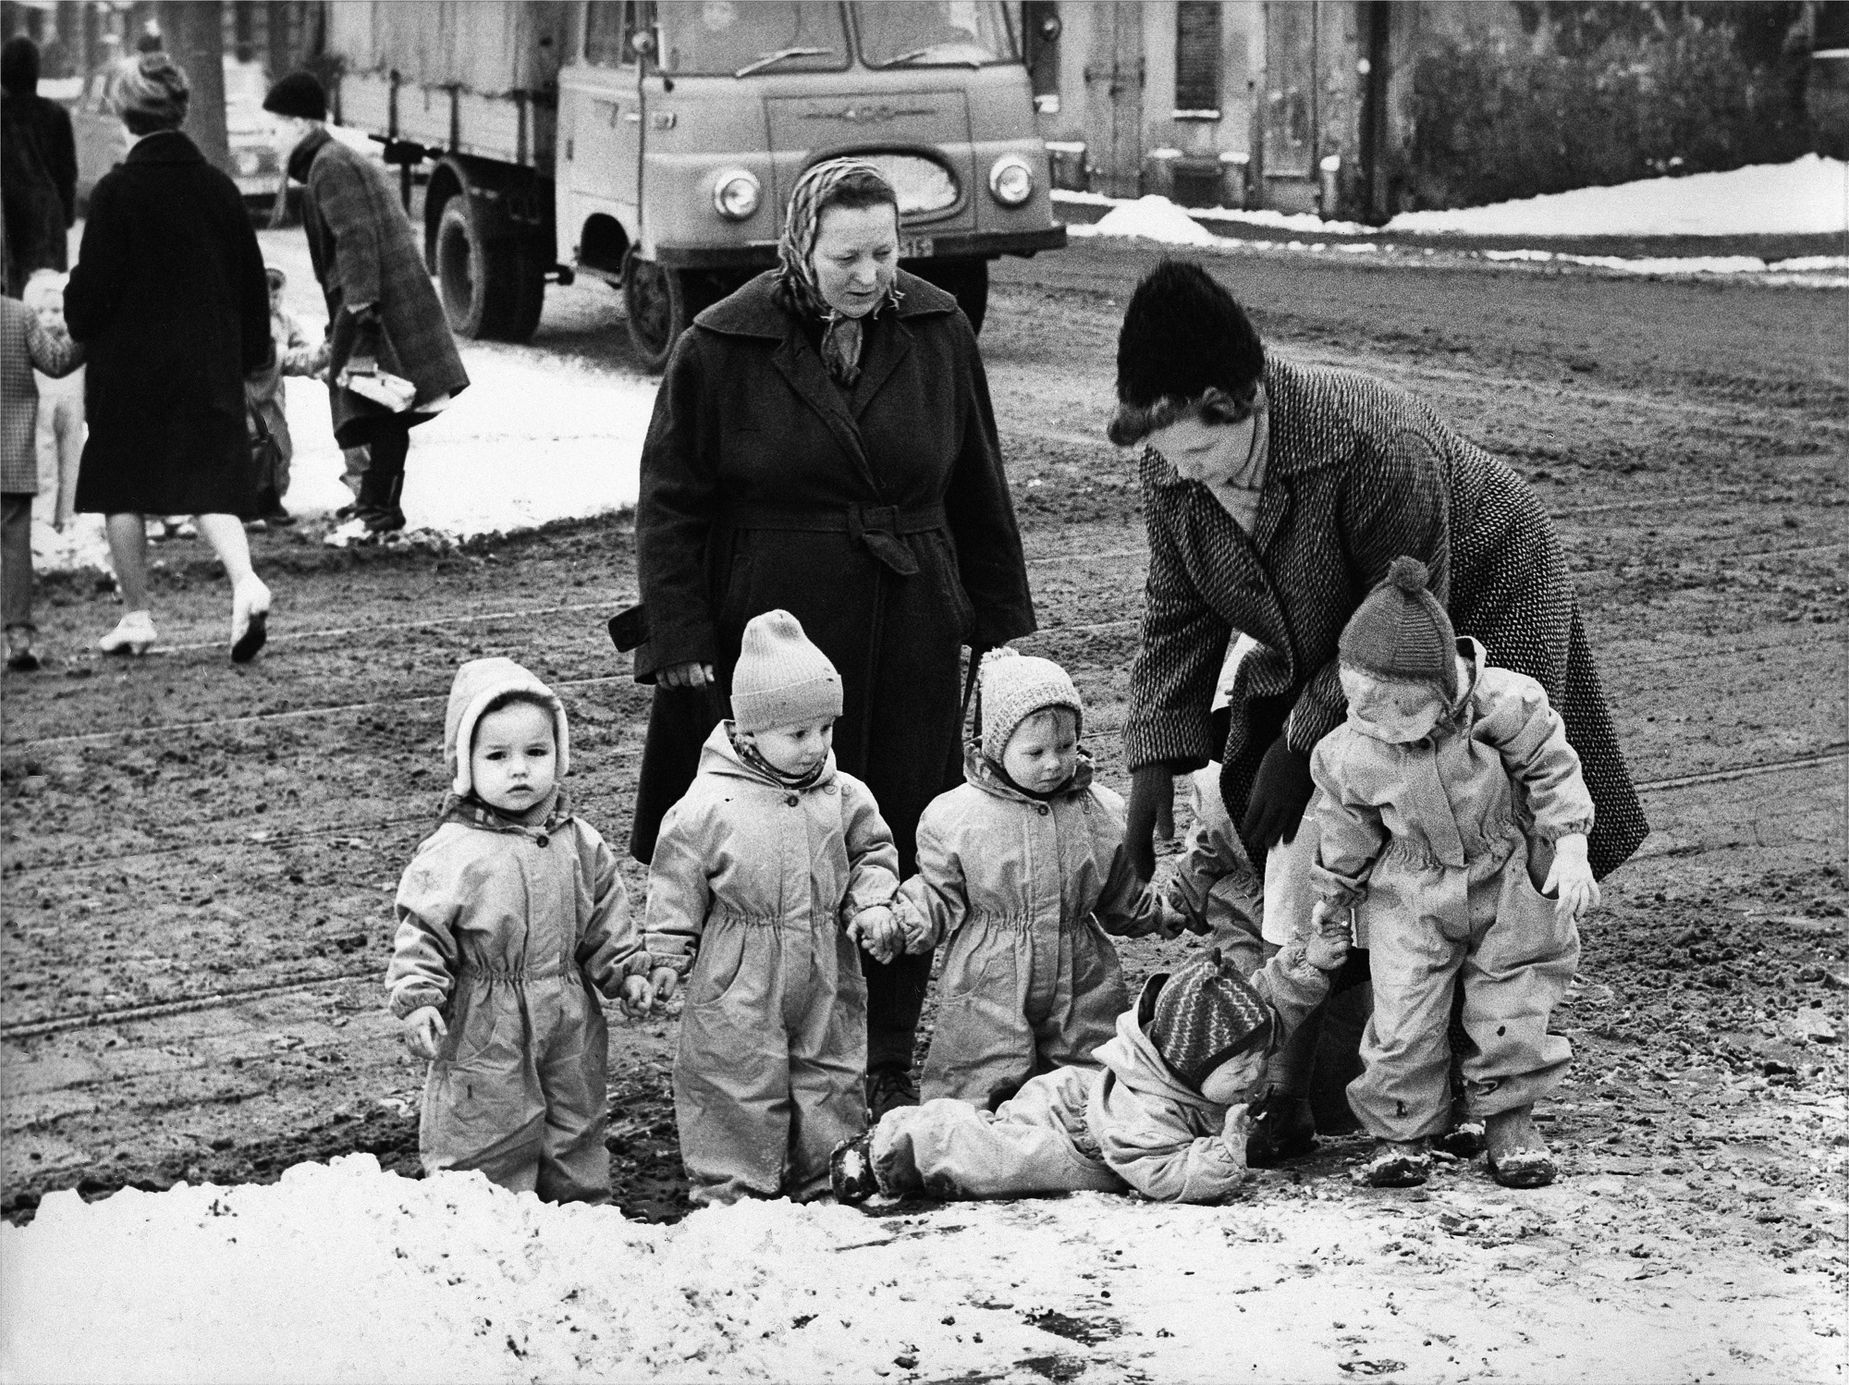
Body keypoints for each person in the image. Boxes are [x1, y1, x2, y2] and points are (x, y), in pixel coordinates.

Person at [1111, 259, 1647, 1164]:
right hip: (1332, 639)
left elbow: (1396, 611)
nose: (1182, 476)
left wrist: (1297, 740)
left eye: (1198, 452)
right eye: (1168, 459)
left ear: (1241, 399)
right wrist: (1149, 765)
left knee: (1476, 830)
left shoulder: (1370, 440)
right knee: (1338, 825)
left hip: (1466, 591)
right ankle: (1372, 1039)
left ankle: (1497, 1067)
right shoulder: (1178, 465)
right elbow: (1177, 613)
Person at [627, 158, 1036, 1120]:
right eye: (846, 254)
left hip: (911, 620)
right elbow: (670, 501)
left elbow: (978, 481)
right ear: (798, 249)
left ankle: (887, 1042)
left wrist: (999, 625)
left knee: (897, 818)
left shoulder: (935, 330)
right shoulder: (721, 342)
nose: (868, 274)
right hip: (775, 624)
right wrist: (680, 632)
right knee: (774, 837)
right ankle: (755, 1030)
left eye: (884, 253)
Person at [1306, 559, 1598, 1190]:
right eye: (1358, 705)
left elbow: (1553, 771)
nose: (1372, 724)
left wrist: (1570, 844)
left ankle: (1509, 1126)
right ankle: (1403, 1133)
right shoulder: (1350, 749)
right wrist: (1333, 899)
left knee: (1510, 1001)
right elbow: (1346, 827)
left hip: (1509, 877)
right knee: (1404, 1011)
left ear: (1444, 689)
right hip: (1408, 890)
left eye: (1391, 712)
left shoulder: (1508, 706)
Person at [644, 610, 903, 1206]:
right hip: (739, 967)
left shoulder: (845, 796)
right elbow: (676, 883)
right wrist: (666, 951)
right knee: (734, 1074)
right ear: (752, 730)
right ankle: (731, 1192)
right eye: (798, 734)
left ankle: (828, 1176)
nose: (816, 747)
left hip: (824, 960)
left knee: (831, 1069)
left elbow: (873, 853)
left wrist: (870, 904)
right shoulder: (708, 806)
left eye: (826, 730)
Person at [386, 656, 668, 1203]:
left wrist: (627, 971)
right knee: (485, 1132)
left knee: (576, 1122)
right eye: (497, 756)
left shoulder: (579, 841)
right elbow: (421, 930)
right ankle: (483, 1227)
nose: (519, 770)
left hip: (566, 1010)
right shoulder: (451, 852)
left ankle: (580, 1221)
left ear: (558, 755)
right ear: (466, 764)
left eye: (536, 753)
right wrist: (419, 997)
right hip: (483, 1019)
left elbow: (605, 916)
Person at [830, 935, 1349, 1206]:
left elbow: (1270, 1011)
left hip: (1091, 1100)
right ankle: (890, 1147)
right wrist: (1223, 1155)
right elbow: (1163, 1175)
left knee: (1001, 1143)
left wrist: (1313, 964)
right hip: (1077, 1130)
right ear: (1193, 1066)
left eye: (1260, 1058)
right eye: (1243, 1065)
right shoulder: (1149, 1107)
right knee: (1000, 1161)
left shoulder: (1217, 1053)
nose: (1257, 1071)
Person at [893, 648, 1173, 1109]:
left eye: (1065, 747)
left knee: (1091, 1063)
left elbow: (1121, 889)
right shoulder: (958, 815)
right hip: (992, 972)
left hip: (1082, 967)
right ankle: (965, 1147)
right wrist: (910, 919)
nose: (1053, 764)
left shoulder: (1099, 810)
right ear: (995, 747)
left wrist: (1156, 912)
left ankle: (1085, 1135)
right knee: (979, 1070)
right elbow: (939, 890)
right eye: (1036, 752)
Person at [63, 52, 275, 663]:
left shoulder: (116, 192)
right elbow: (249, 280)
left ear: (124, 112)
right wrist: (251, 355)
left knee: (120, 486)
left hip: (129, 372)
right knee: (208, 481)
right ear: (181, 110)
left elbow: (92, 294)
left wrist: (76, 311)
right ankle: (245, 582)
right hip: (208, 362)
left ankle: (136, 615)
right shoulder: (218, 188)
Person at [263, 71, 469, 540]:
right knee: (377, 402)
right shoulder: (333, 158)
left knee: (382, 405)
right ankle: (372, 501)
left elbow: (355, 239)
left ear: (299, 124)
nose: (273, 138)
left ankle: (381, 509)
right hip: (379, 302)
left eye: (276, 126)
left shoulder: (327, 165)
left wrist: (361, 313)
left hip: (374, 306)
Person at [1, 291, 82, 670]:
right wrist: (92, 327)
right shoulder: (18, 315)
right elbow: (57, 360)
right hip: (10, 454)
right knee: (14, 547)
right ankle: (18, 637)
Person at [244, 265, 329, 528]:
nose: (272, 302)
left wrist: (319, 362)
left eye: (276, 296)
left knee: (279, 447)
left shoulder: (286, 322)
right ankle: (246, 504)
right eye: (266, 296)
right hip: (246, 396)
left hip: (273, 397)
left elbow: (299, 351)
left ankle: (272, 501)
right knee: (250, 445)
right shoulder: (243, 320)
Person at [0, 36, 76, 296]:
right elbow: (67, 174)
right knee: (45, 298)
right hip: (45, 218)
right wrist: (65, 216)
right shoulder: (56, 115)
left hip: (6, 215)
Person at [22, 270, 82, 531]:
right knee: (43, 457)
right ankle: (43, 516)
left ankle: (68, 514)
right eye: (41, 312)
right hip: (41, 405)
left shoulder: (73, 344)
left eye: (56, 311)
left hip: (71, 404)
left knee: (72, 457)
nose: (48, 318)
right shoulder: (32, 342)